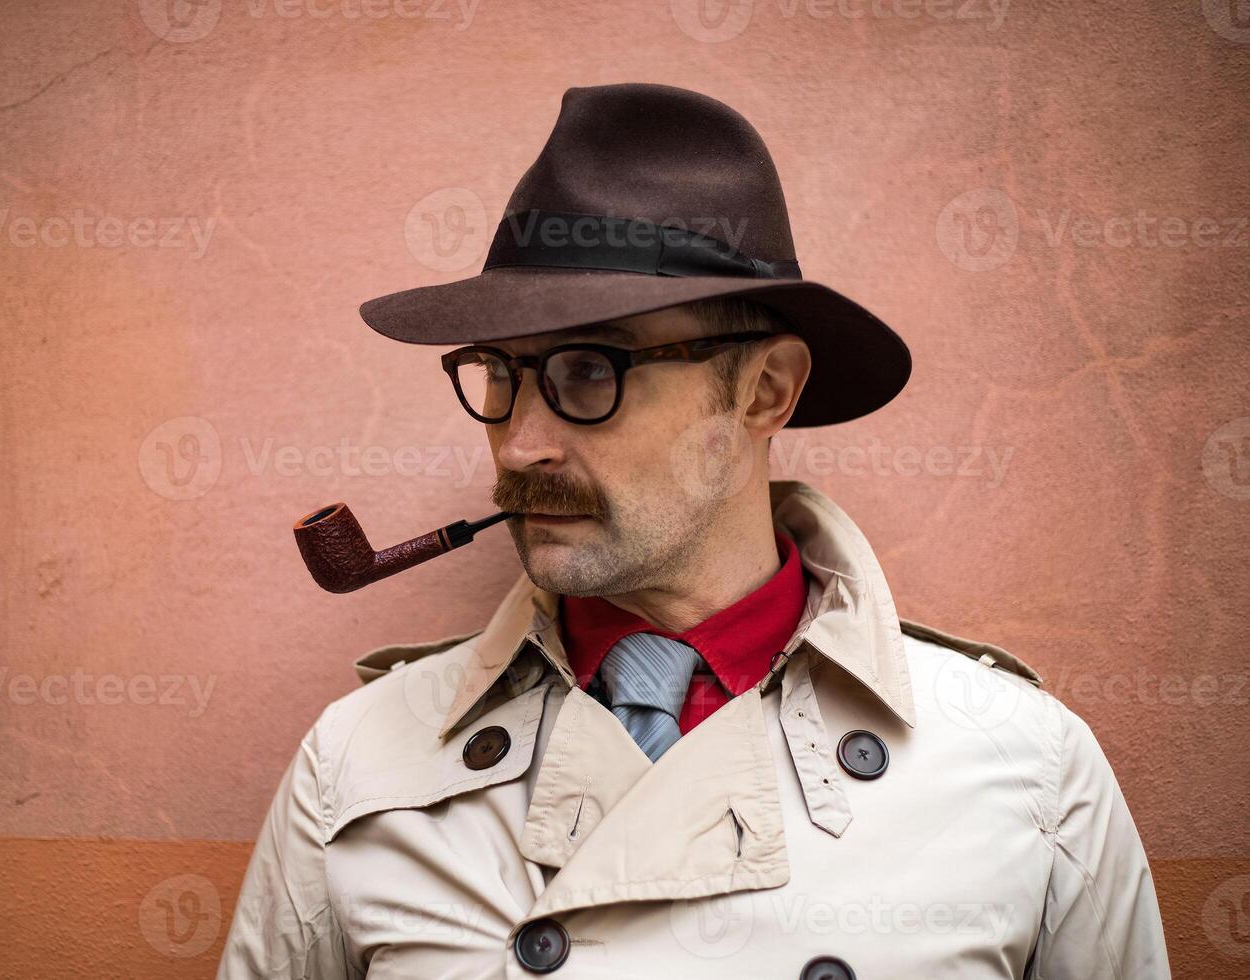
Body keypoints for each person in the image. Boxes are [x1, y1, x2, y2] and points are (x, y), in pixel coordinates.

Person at [218, 82, 1169, 979]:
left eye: (590, 372)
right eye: (501, 374)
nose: (520, 445)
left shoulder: (1023, 769)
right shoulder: (355, 765)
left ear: (764, 391)